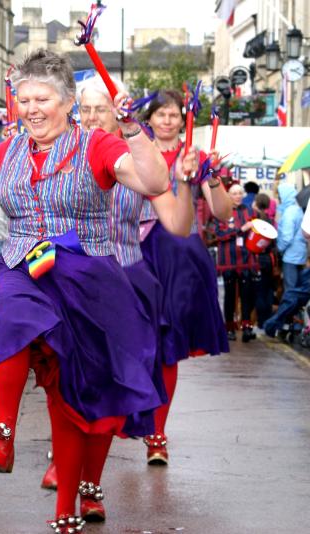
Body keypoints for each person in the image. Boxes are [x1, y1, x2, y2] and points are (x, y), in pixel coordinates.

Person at [0, 49, 169, 529]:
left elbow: (153, 182)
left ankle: (73, 502)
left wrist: (133, 129)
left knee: (79, 397)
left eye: (43, 99)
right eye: (24, 99)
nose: (31, 109)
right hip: (24, 266)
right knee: (10, 315)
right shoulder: (7, 152)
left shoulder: (96, 144)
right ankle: (2, 433)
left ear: (68, 102)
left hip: (89, 279)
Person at [34, 75, 195, 521]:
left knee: (108, 388)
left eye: (100, 109)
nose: (90, 118)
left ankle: (91, 485)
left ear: (117, 113)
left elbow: (178, 224)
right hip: (66, 284)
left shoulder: (136, 162)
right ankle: (63, 462)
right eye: (84, 109)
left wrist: (189, 183)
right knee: (63, 381)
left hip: (122, 283)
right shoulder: (59, 154)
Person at [137, 89, 232, 466]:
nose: (167, 120)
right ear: (149, 118)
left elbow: (223, 213)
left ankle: (157, 434)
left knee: (168, 347)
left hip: (179, 258)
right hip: (135, 252)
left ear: (182, 119)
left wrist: (211, 178)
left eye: (174, 114)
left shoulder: (197, 157)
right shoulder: (135, 150)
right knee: (133, 345)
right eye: (160, 114)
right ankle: (123, 418)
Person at [208, 183, 259, 341]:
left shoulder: (250, 211)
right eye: (234, 193)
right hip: (228, 260)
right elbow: (219, 235)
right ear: (228, 195)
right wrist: (240, 229)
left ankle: (246, 328)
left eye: (240, 193)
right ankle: (229, 329)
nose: (237, 196)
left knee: (247, 296)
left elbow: (256, 232)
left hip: (246, 258)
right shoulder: (221, 212)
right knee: (230, 296)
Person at [276, 182, 306, 293]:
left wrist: (278, 249)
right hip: (299, 253)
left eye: (279, 196)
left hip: (291, 256)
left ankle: (290, 305)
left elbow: (286, 238)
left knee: (290, 290)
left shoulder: (289, 213)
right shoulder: (296, 209)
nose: (279, 199)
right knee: (298, 288)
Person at [253, 193, 276, 329]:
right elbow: (274, 242)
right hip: (269, 259)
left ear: (256, 203)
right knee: (268, 290)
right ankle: (268, 320)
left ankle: (261, 322)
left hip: (257, 258)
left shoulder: (254, 221)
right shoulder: (271, 221)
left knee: (259, 291)